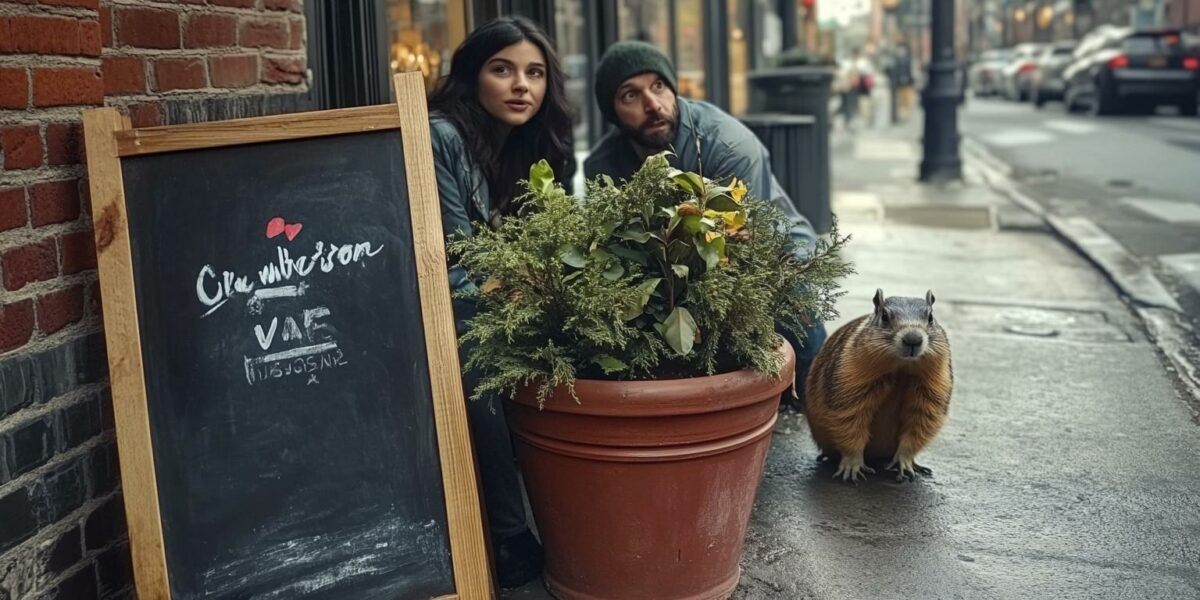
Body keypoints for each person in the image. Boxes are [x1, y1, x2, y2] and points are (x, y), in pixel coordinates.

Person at [583, 40, 827, 410]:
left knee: (811, 372)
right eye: (630, 95)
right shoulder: (603, 166)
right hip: (671, 268)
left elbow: (747, 247)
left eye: (659, 86)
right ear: (613, 113)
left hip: (772, 253)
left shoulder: (727, 145)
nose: (652, 104)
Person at [427, 16, 574, 588]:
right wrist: (526, 293)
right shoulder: (445, 136)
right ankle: (509, 531)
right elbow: (454, 260)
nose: (521, 86)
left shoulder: (521, 149)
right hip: (439, 307)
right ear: (472, 76)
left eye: (534, 73)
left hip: (492, 299)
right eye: (502, 69)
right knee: (481, 345)